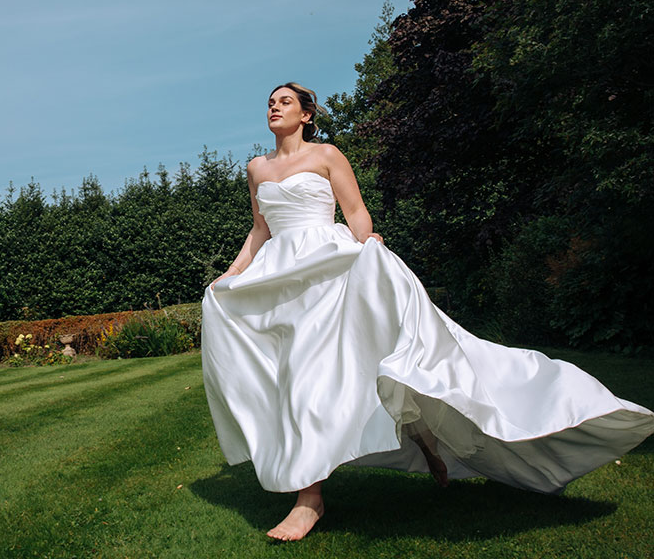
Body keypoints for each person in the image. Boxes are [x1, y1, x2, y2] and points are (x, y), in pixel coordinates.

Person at [200, 82, 654, 542]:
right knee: (295, 379)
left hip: (329, 271)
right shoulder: (257, 168)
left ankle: (313, 498)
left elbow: (355, 213)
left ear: (306, 116)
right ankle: (402, 454)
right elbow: (260, 229)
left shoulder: (327, 155)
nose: (274, 108)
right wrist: (231, 274)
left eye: (284, 102)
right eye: (270, 103)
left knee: (348, 369)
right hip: (282, 279)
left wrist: (368, 245)